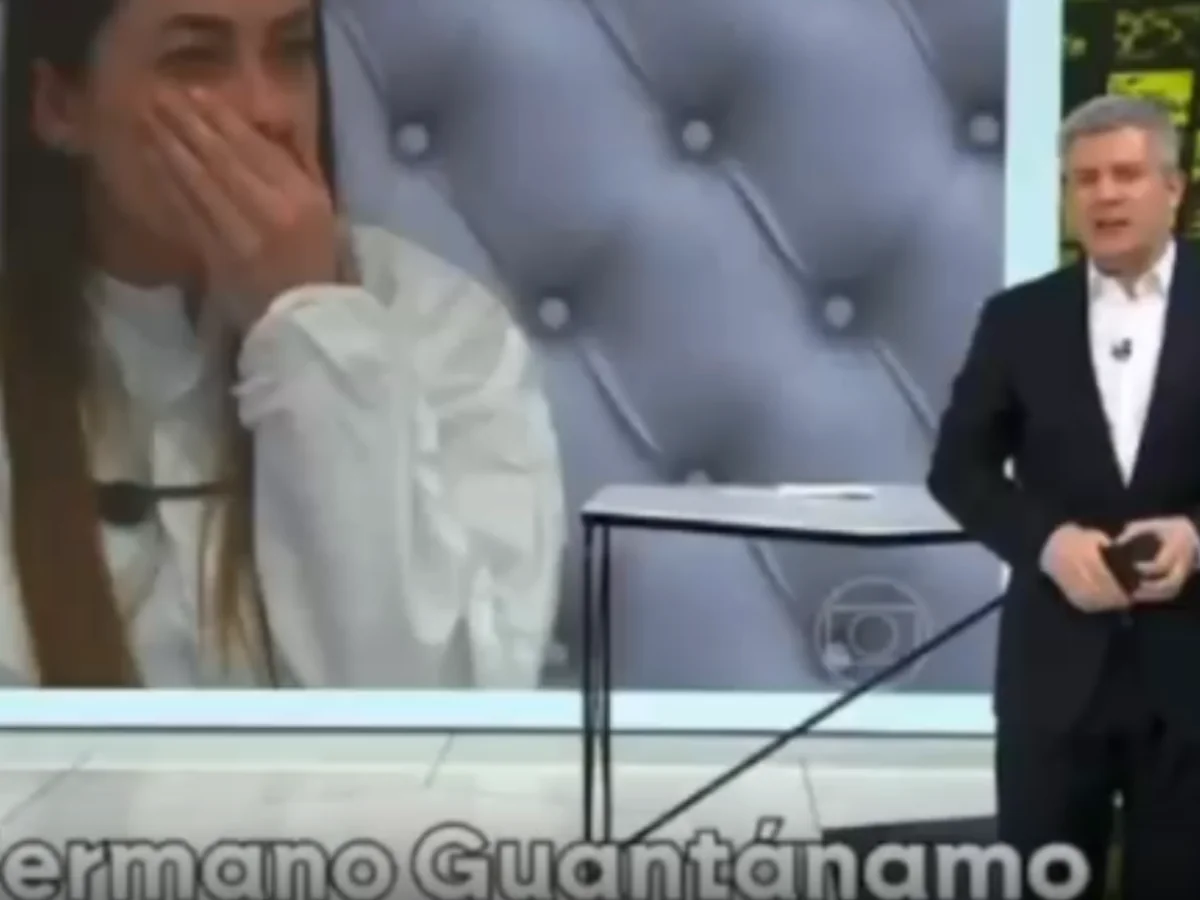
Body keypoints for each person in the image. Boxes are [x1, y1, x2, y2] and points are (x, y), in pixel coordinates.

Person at [0, 0, 565, 688]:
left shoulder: (445, 332)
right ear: (60, 106)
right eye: (194, 58)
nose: (268, 111)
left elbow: (431, 714)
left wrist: (309, 321)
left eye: (292, 51)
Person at [928, 92, 1200, 898]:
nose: (1104, 195)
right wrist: (1047, 542)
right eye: (1084, 179)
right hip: (1053, 678)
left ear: (1173, 188)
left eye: (1125, 174)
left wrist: (1197, 535)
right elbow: (958, 469)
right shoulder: (1018, 319)